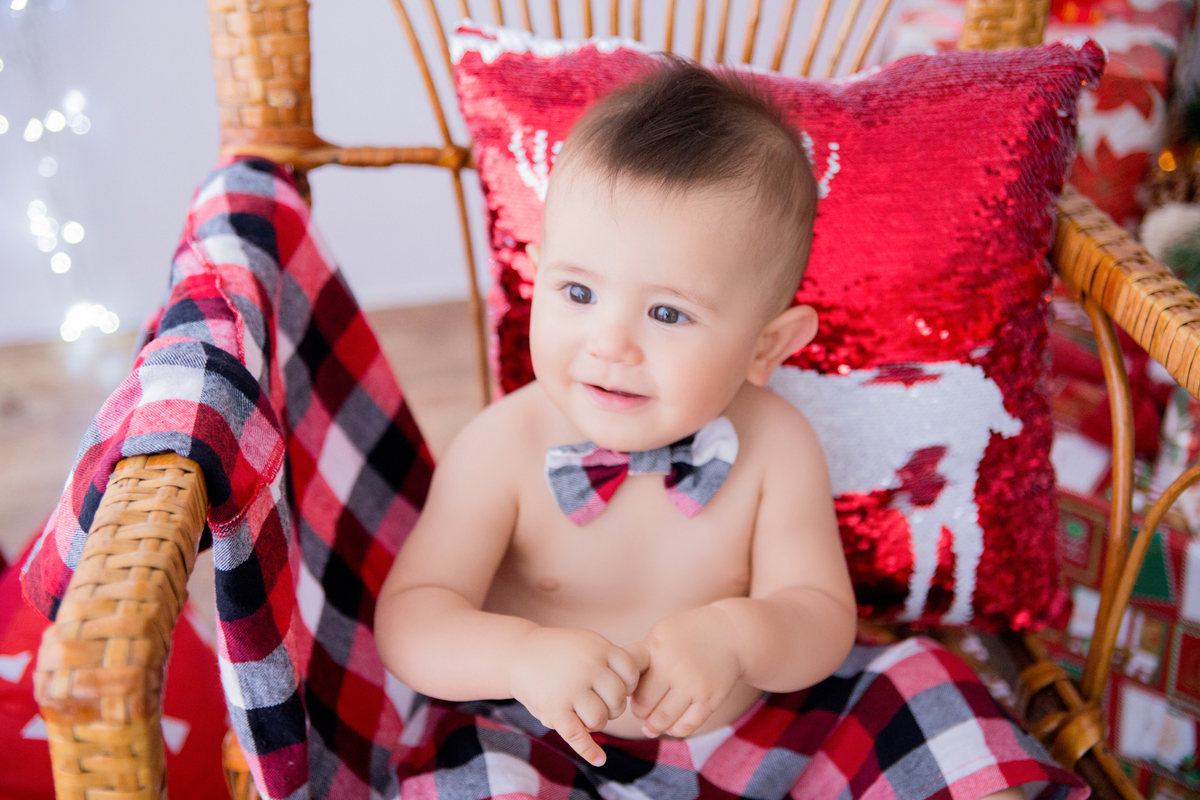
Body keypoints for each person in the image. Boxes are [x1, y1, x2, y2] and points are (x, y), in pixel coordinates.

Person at [375, 60, 1081, 800]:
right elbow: (415, 618)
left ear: (767, 347)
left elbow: (819, 615)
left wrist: (739, 639)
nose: (610, 343)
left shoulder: (777, 446)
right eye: (578, 292)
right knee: (472, 775)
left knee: (927, 684)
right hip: (549, 740)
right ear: (538, 272)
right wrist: (521, 656)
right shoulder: (501, 447)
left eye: (668, 314)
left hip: (764, 738)